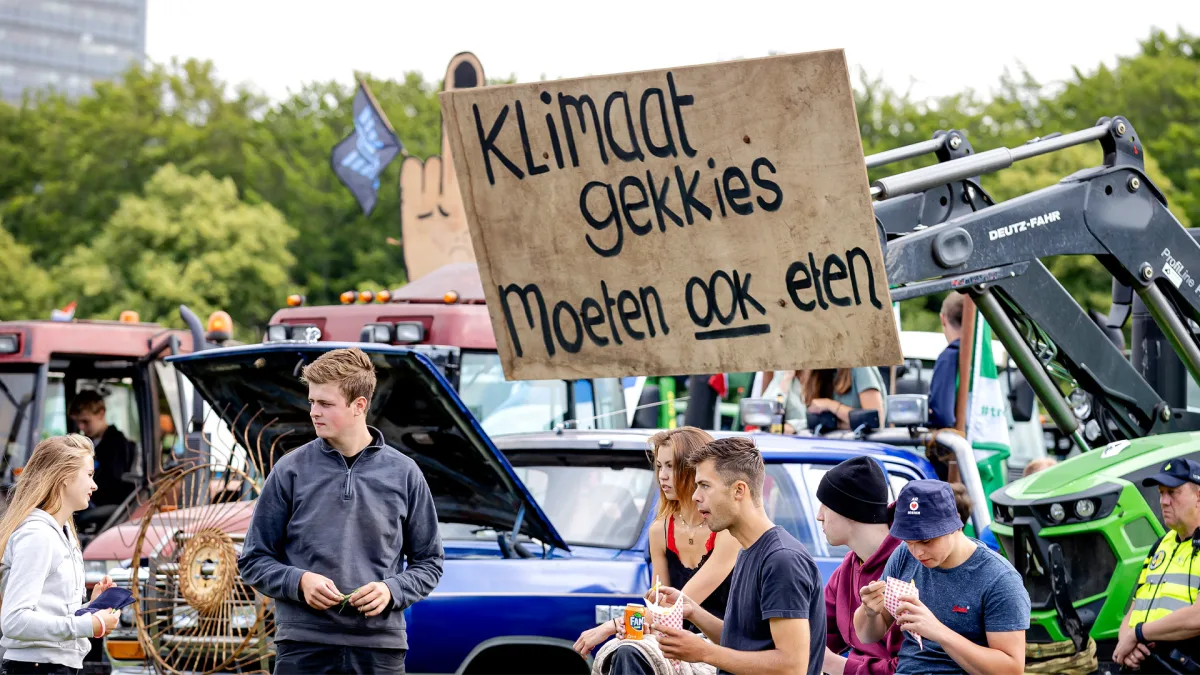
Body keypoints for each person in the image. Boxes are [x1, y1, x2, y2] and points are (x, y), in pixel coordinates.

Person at [237, 347, 444, 675]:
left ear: (359, 405)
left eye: (325, 404)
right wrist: (299, 580)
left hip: (379, 650)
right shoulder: (290, 469)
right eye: (312, 402)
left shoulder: (405, 474)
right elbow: (252, 559)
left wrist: (392, 590)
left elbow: (429, 563)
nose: (313, 412)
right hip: (303, 647)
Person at [651, 436, 825, 675]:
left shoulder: (782, 560)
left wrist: (703, 651)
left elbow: (792, 666)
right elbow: (743, 643)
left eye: (705, 485)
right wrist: (694, 611)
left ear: (739, 491)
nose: (695, 496)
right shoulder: (748, 550)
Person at [575, 427, 739, 672]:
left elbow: (681, 603)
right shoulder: (660, 529)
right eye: (660, 466)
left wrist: (610, 626)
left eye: (671, 466)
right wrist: (635, 625)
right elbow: (658, 604)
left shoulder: (725, 529)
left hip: (720, 648)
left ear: (695, 469)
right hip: (673, 645)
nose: (662, 475)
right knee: (626, 651)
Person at [855, 480, 1029, 675]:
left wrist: (938, 632)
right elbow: (866, 636)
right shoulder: (904, 555)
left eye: (926, 541)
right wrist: (869, 612)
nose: (917, 552)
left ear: (954, 524)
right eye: (908, 541)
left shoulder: (999, 579)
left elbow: (1012, 670)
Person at [0, 435, 120, 675]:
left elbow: (51, 616)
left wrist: (91, 608)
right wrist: (89, 624)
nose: (94, 485)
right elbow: (14, 621)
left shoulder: (63, 535)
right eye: (89, 475)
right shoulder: (38, 536)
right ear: (64, 477)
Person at [816, 456, 903, 675]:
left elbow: (911, 668)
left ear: (850, 509)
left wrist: (838, 666)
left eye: (825, 506)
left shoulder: (908, 567)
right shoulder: (849, 566)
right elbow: (817, 633)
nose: (819, 516)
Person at [1112, 459, 1200, 671]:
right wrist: (1127, 643)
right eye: (1161, 493)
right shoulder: (1162, 544)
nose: (1164, 501)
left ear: (1198, 496)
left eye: (1172, 492)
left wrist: (1138, 634)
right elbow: (1136, 606)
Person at [68, 391, 135, 514]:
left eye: (85, 421)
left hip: (105, 508)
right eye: (77, 422)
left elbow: (112, 482)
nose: (81, 427)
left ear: (101, 414)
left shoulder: (117, 444)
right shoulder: (87, 443)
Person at [798, 368, 887, 432]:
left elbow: (876, 420)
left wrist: (830, 405)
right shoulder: (821, 373)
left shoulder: (862, 368)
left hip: (862, 451)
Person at [928, 294, 965, 433]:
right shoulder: (982, 359)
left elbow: (943, 416)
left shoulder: (949, 357)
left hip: (960, 449)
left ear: (943, 319)